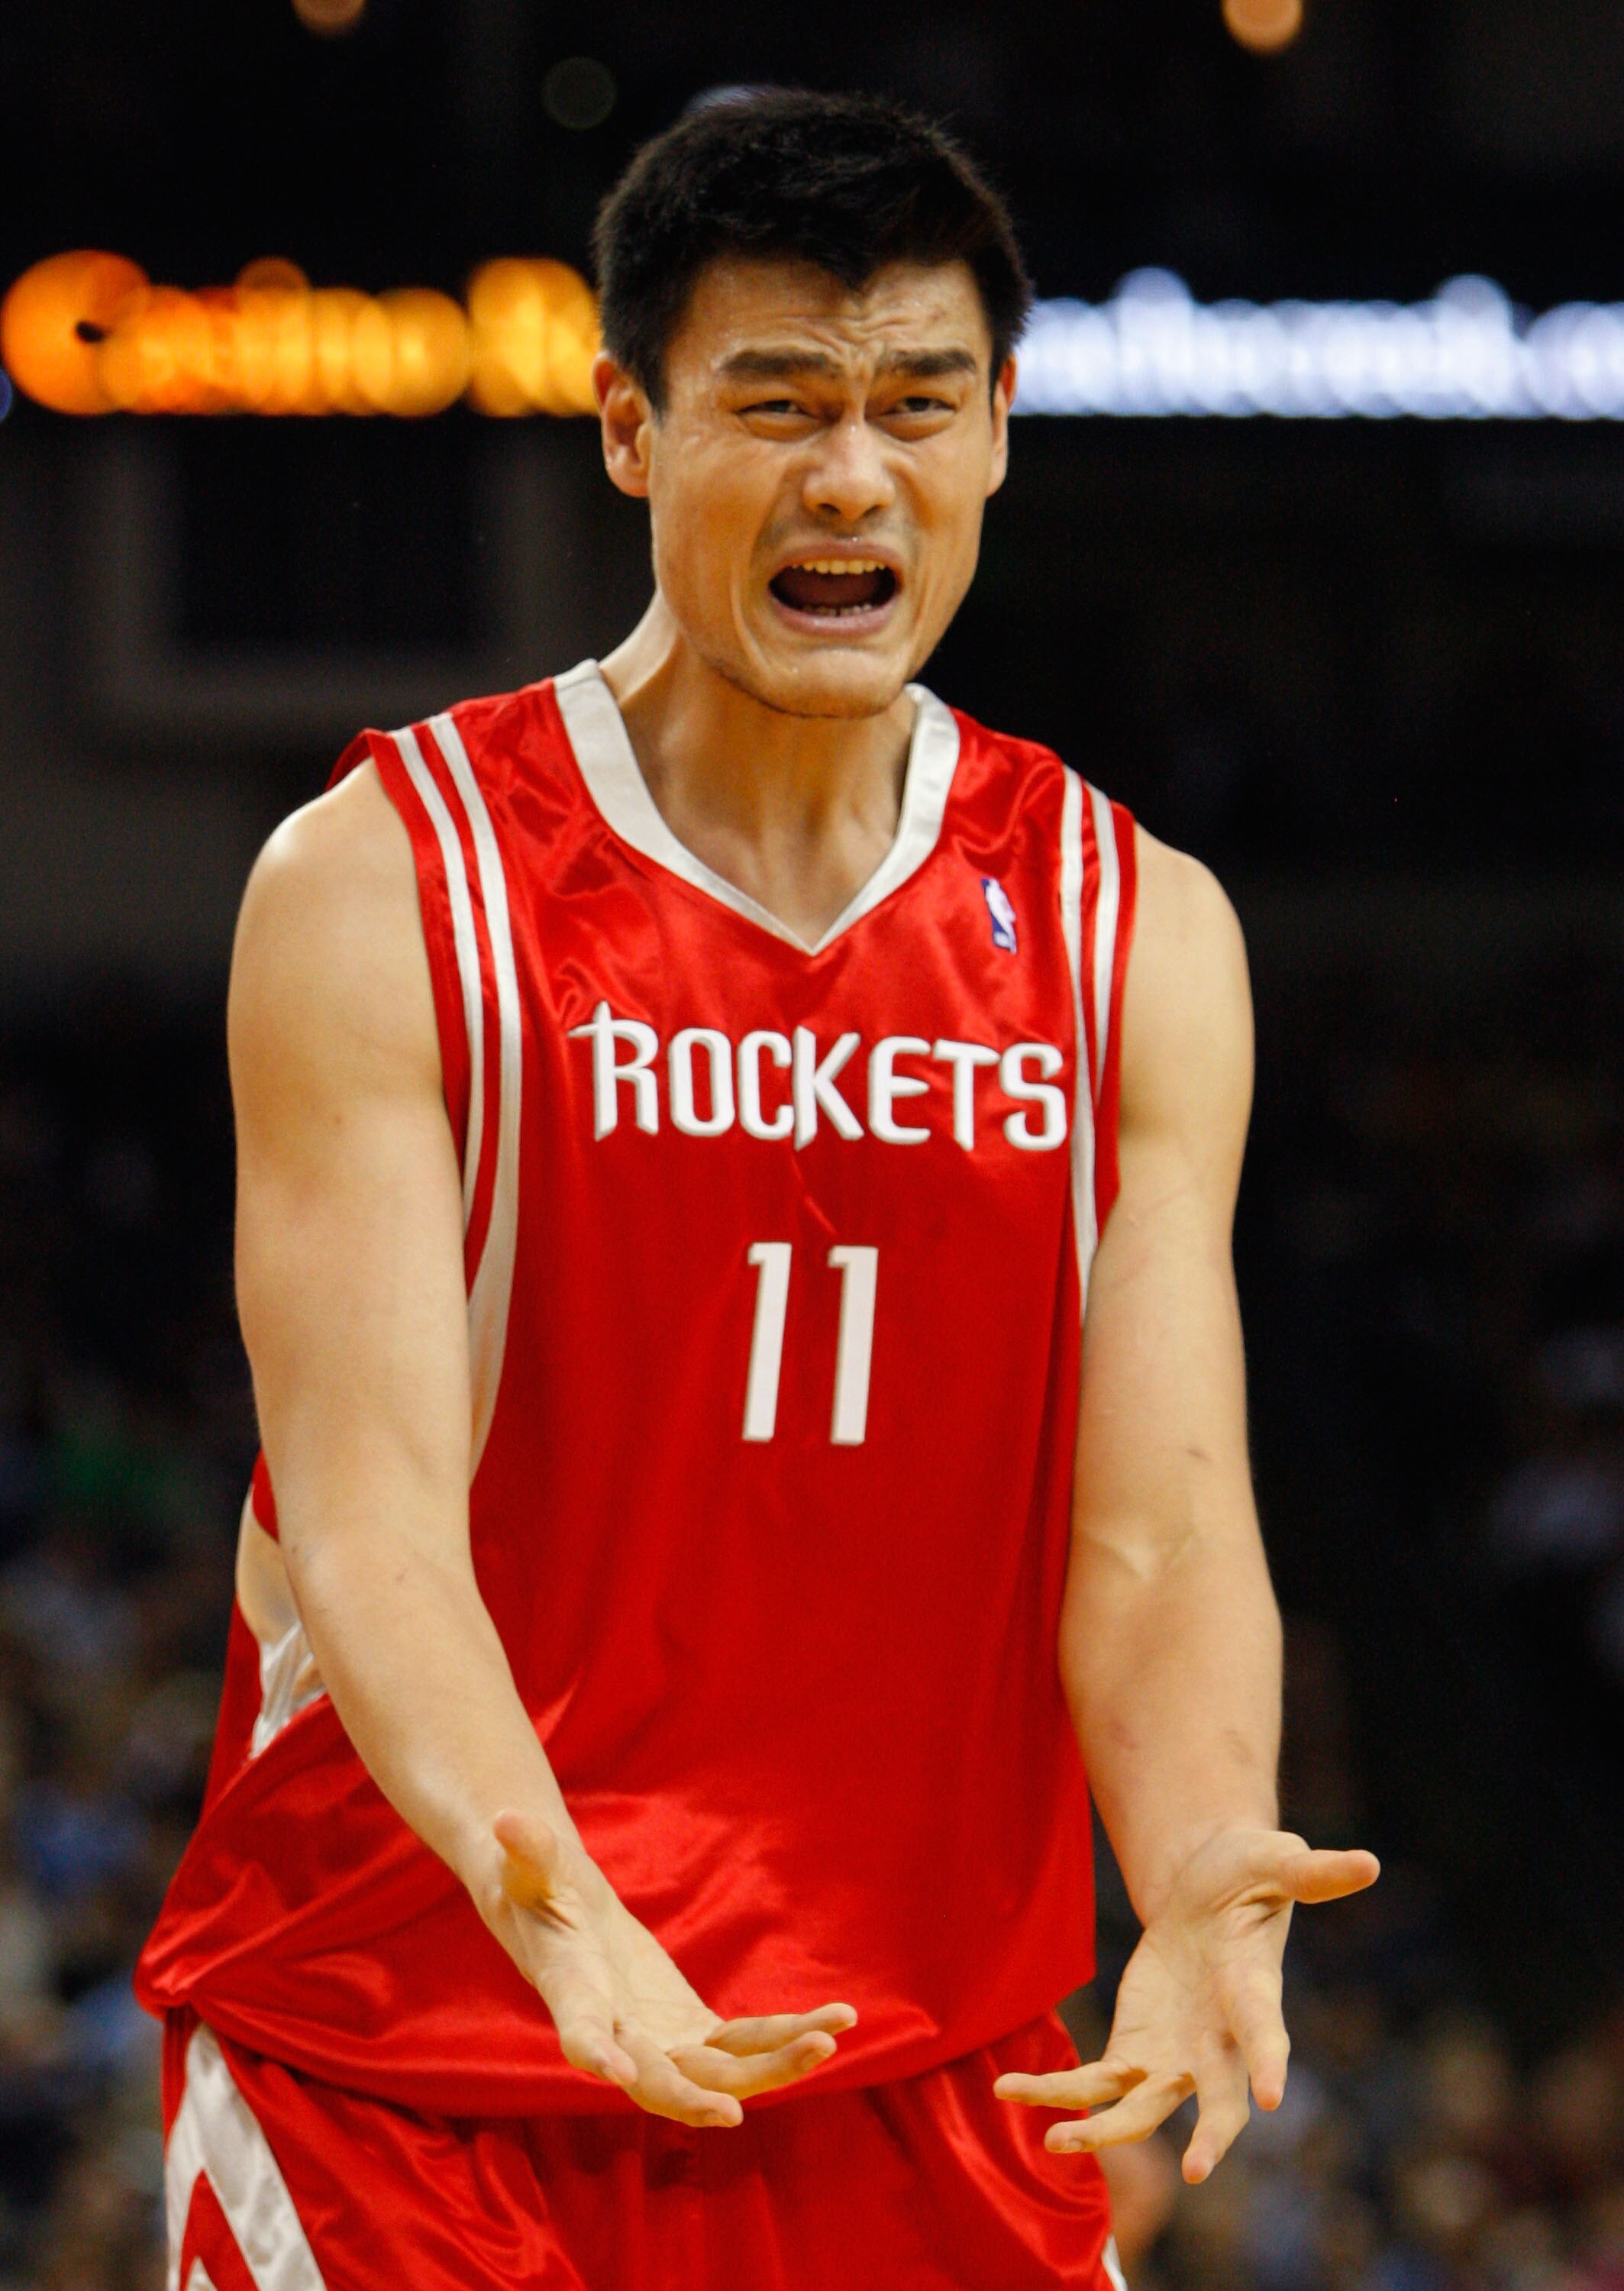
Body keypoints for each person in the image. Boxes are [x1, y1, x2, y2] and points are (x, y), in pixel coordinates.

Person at [138, 88, 1377, 2291]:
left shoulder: (1132, 928)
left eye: (916, 404)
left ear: (1000, 427)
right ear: (626, 427)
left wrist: (1197, 1862)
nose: (849, 474)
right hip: (417, 2064)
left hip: (912, 2078)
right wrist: (568, 1915)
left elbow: (1162, 1523)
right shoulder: (384, 881)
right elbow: (370, 1518)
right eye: (775, 403)